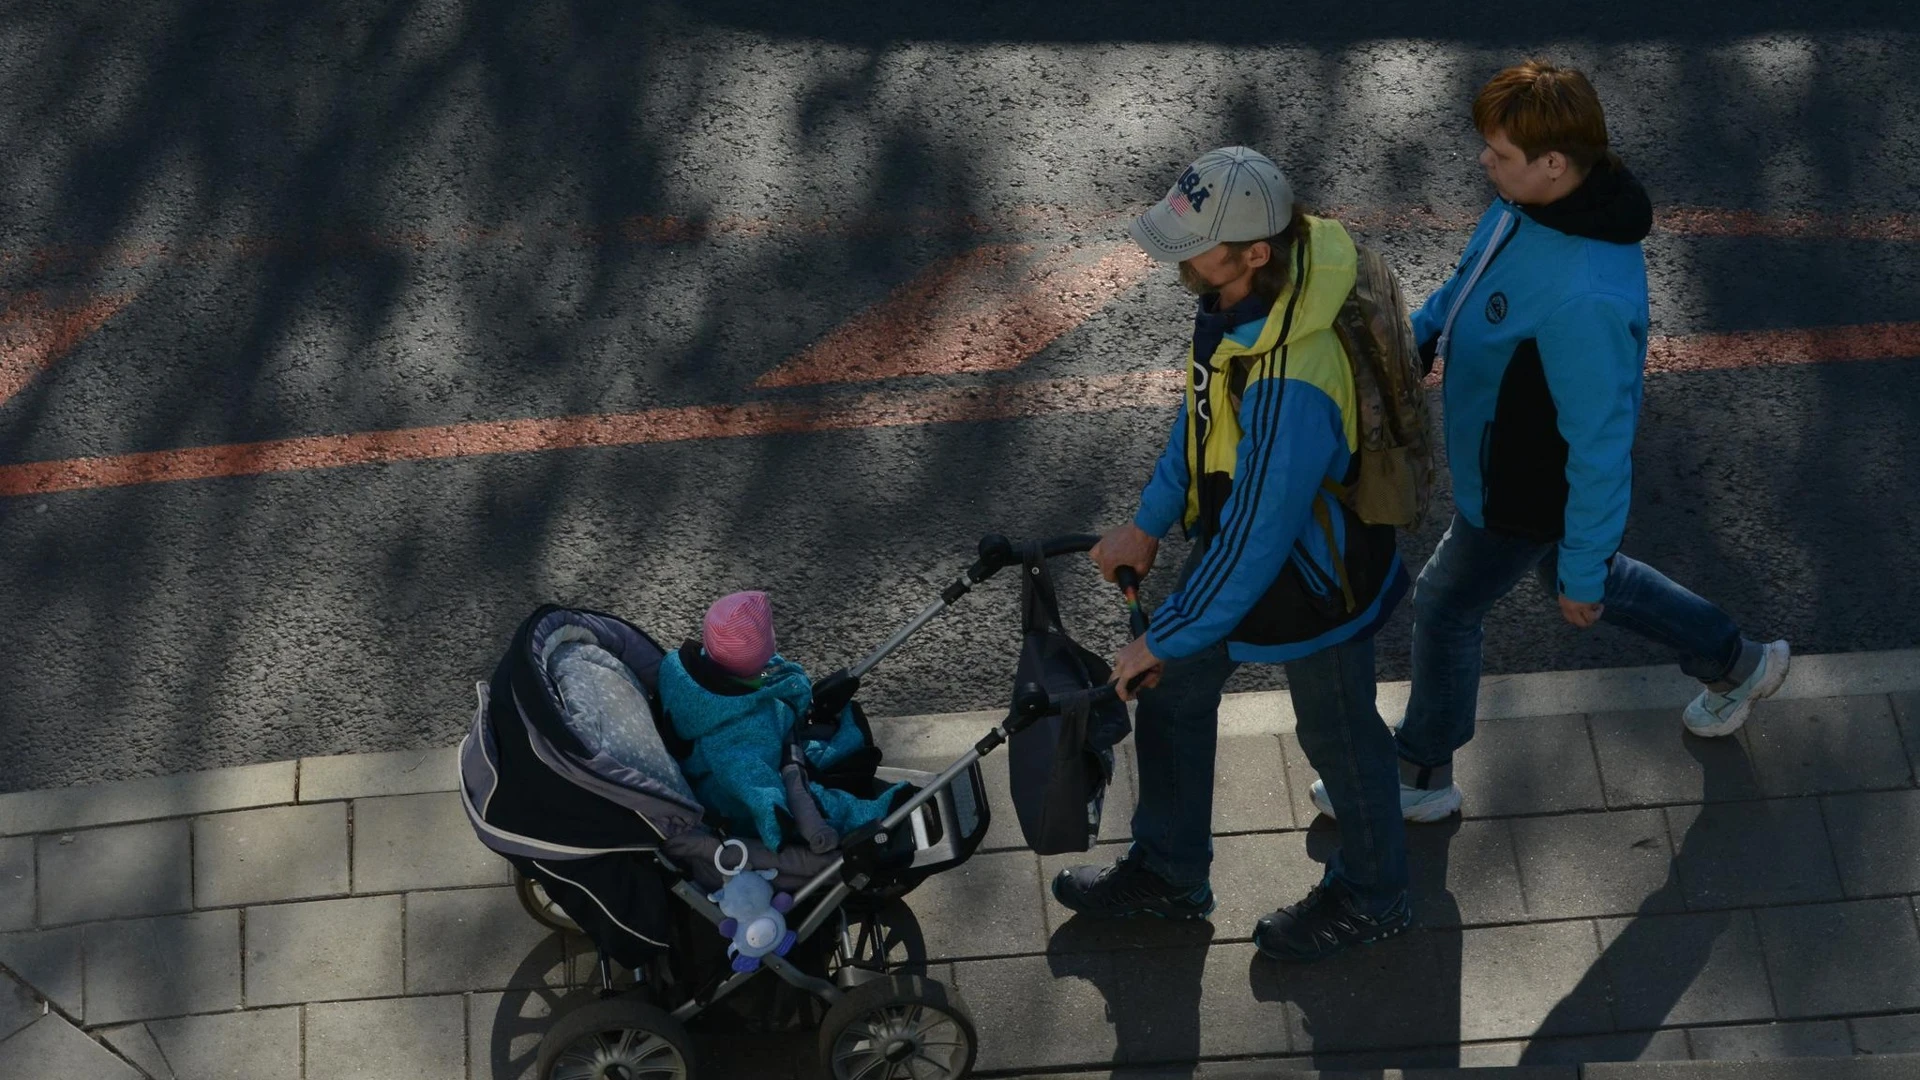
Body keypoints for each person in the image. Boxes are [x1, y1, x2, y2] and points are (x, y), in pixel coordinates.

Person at [1311, 61, 1790, 824]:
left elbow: (1600, 444)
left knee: (1444, 606)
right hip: (1503, 467)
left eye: (1498, 154)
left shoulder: (1588, 295)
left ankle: (1422, 772)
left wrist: (1583, 568)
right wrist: (1420, 336)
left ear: (1555, 163)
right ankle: (1740, 663)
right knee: (1583, 574)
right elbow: (1469, 282)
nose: (1483, 162)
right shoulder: (1526, 205)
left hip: (1522, 488)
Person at [1052, 146, 1415, 962]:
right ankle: (1172, 870)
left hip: (1318, 583)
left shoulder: (1293, 375)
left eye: (1197, 242)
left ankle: (1376, 894)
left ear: (1256, 250)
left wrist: (1165, 632)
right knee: (1174, 693)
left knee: (1341, 737)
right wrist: (1147, 524)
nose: (1179, 255)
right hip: (1252, 556)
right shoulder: (1237, 305)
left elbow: (1258, 533)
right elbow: (1200, 419)